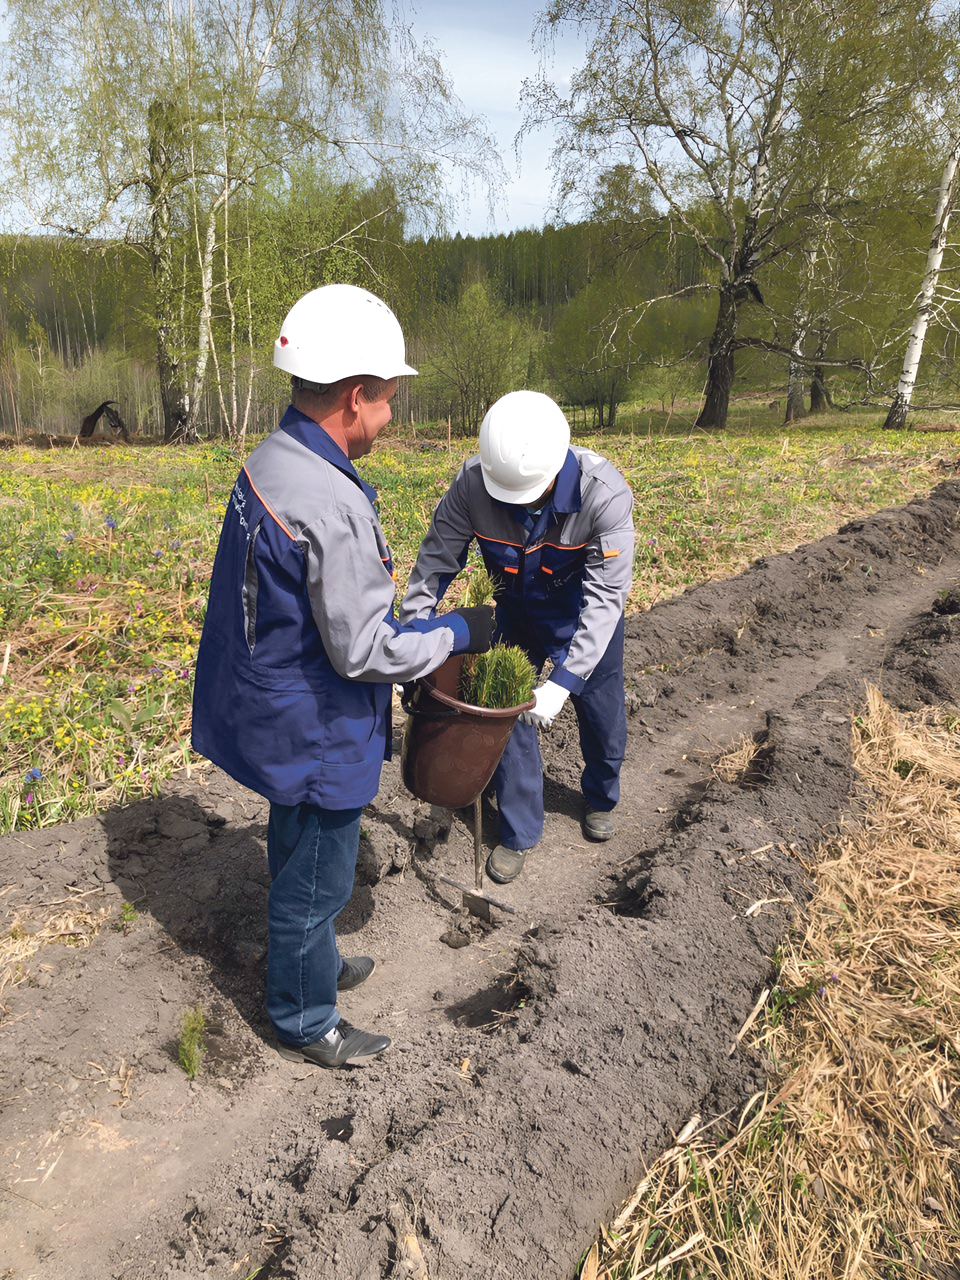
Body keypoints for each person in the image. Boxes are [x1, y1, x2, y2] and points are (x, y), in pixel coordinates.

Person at [191, 284, 494, 1069]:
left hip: (277, 707)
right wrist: (457, 630)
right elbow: (364, 651)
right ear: (355, 399)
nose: (391, 418)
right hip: (320, 727)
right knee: (319, 880)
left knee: (294, 845)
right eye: (389, 399)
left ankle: (313, 962)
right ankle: (304, 1015)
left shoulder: (275, 457)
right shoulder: (328, 500)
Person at [400, 389, 634, 885]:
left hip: (582, 618)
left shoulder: (602, 493)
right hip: (514, 611)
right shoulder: (473, 483)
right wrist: (412, 634)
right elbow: (437, 559)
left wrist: (566, 680)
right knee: (505, 713)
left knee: (602, 711)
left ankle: (600, 795)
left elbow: (606, 597)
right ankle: (519, 830)